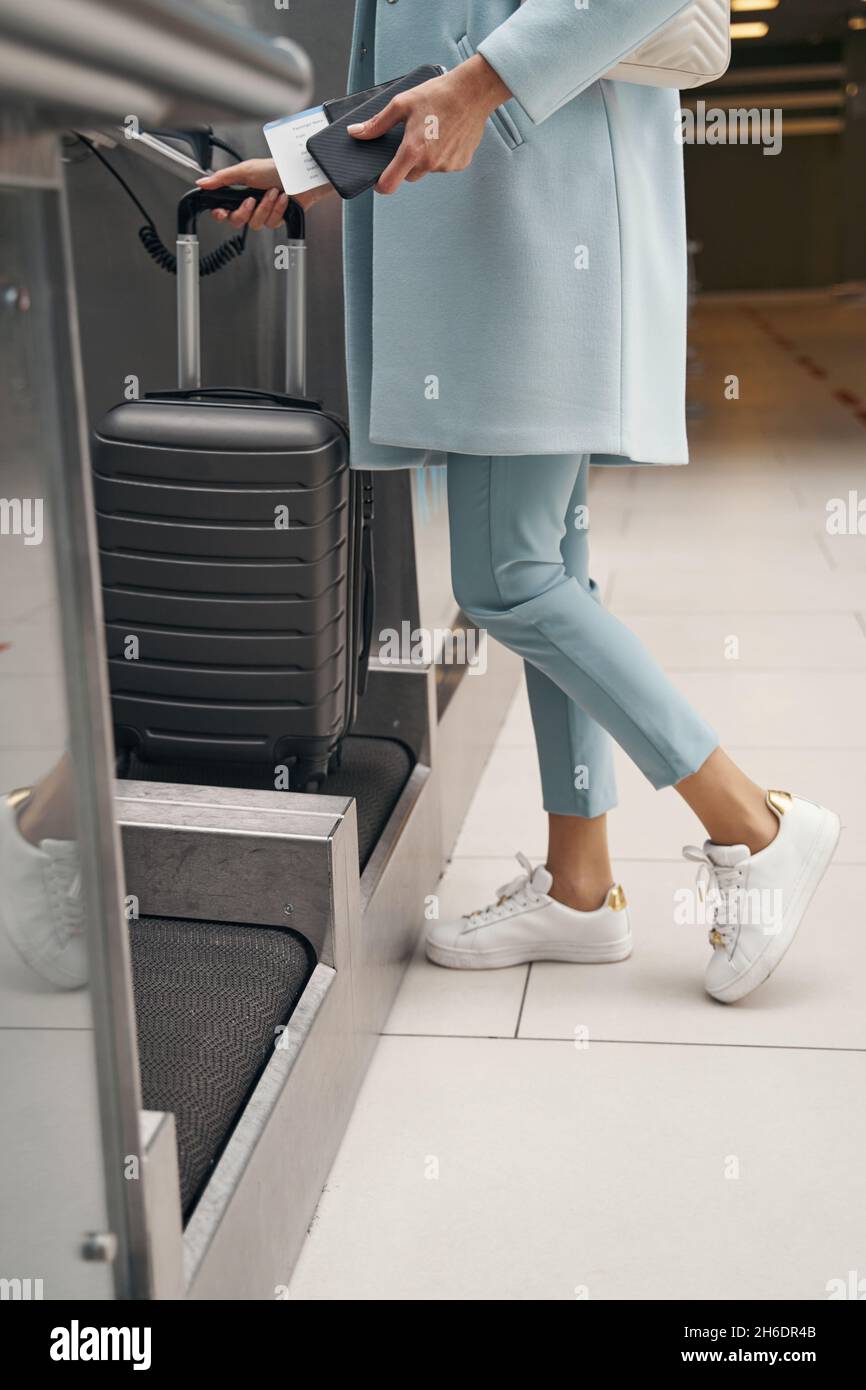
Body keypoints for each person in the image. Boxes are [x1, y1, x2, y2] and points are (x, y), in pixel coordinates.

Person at [197, 0, 838, 1004]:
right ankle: (578, 886)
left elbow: (490, 53)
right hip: (519, 225)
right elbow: (439, 45)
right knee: (546, 568)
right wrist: (312, 160)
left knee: (508, 577)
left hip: (534, 234)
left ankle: (751, 824)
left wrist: (480, 86)